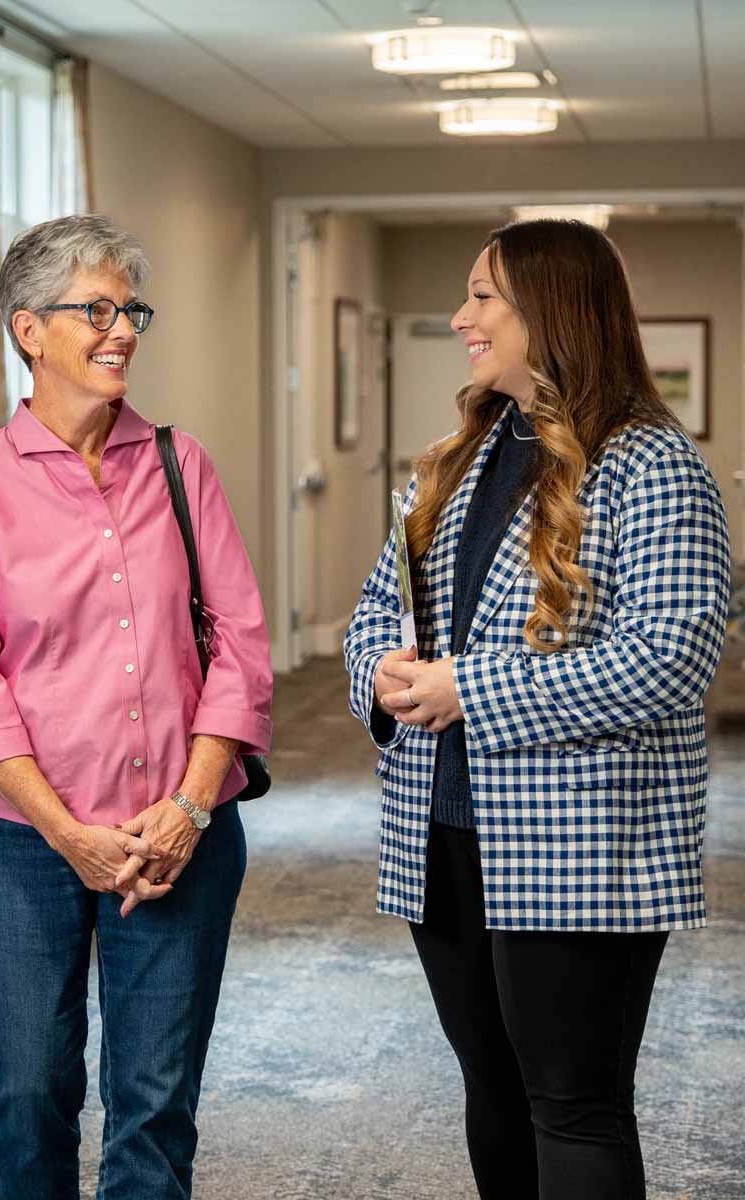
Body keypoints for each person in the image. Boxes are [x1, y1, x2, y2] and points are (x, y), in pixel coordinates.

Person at [344, 219, 730, 1200]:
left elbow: (671, 659)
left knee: (572, 1100)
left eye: (484, 297)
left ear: (551, 312)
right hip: (442, 828)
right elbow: (379, 608)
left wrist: (468, 687)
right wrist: (381, 671)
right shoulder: (458, 458)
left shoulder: (650, 463)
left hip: (579, 840)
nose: (460, 316)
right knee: (492, 1084)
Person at [0, 213, 272, 1200]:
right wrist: (67, 831)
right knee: (30, 1086)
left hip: (180, 834)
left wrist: (192, 807)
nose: (122, 330)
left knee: (156, 1094)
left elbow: (241, 648)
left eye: (132, 311)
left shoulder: (179, 464)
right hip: (17, 843)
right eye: (98, 310)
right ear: (29, 330)